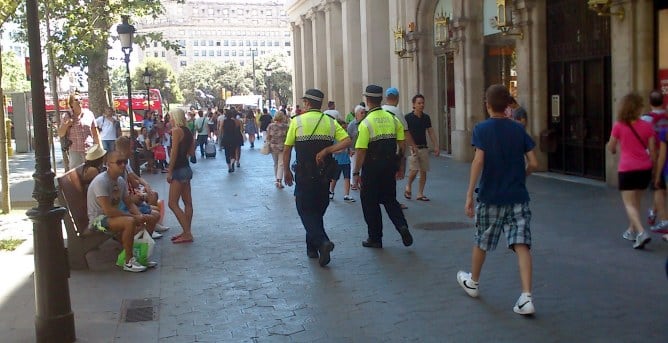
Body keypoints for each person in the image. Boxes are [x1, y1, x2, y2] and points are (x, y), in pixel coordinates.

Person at [457, 84, 539, 315]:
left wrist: (469, 195)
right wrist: (522, 175)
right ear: (507, 106)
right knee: (522, 244)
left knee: (482, 239)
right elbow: (533, 163)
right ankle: (526, 296)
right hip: (517, 196)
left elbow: (478, 161)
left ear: (488, 104)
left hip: (490, 195)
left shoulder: (481, 129)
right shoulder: (518, 130)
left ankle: (473, 281)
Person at [283, 88, 351, 267]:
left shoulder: (296, 121)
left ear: (306, 103)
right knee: (317, 211)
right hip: (324, 175)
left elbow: (288, 147)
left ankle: (322, 242)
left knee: (304, 209)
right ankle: (312, 249)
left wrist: (286, 172)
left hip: (304, 175)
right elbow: (347, 140)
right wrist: (328, 149)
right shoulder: (330, 122)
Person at [352, 85, 413, 249]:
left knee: (369, 202)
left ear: (367, 100)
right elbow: (401, 145)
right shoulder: (392, 119)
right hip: (389, 166)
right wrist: (400, 166)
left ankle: (375, 237)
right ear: (380, 99)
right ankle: (402, 226)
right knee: (390, 199)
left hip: (371, 168)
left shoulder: (366, 123)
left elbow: (361, 150)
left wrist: (356, 173)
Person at [87, 150, 153, 272]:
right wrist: (133, 217)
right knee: (129, 222)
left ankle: (140, 256)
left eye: (125, 162)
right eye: (119, 162)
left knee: (149, 218)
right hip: (98, 220)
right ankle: (128, 261)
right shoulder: (101, 181)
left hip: (112, 217)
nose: (123, 165)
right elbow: (108, 211)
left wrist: (140, 215)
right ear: (108, 164)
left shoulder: (120, 180)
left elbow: (128, 202)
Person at [607, 93, 655, 249]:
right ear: (637, 108)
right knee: (637, 201)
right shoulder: (647, 126)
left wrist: (613, 149)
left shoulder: (619, 126)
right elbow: (653, 151)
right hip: (644, 168)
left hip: (627, 168)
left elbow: (611, 146)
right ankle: (631, 229)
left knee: (628, 203)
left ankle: (641, 232)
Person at [114, 136, 170, 234]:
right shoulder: (119, 167)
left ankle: (149, 227)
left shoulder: (125, 164)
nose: (132, 151)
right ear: (125, 149)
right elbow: (133, 184)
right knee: (154, 210)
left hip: (128, 198)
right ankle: (146, 230)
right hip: (124, 203)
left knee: (153, 196)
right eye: (131, 148)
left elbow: (135, 180)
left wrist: (146, 185)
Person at [167, 109, 196, 244]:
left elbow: (173, 153)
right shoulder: (188, 131)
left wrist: (169, 170)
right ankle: (186, 231)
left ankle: (187, 233)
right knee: (187, 202)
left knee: (172, 203)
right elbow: (191, 152)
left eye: (170, 117)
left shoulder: (176, 131)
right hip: (186, 167)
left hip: (178, 169)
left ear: (174, 117)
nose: (169, 119)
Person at [383, 87, 415, 209]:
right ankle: (392, 201)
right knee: (393, 177)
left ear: (386, 98)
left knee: (385, 176)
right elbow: (405, 132)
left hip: (380, 150)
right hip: (395, 150)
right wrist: (413, 146)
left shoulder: (380, 110)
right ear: (397, 98)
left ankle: (386, 198)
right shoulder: (397, 112)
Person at [640, 90, 668, 228]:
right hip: (665, 155)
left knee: (658, 186)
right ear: (663, 101)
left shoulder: (645, 119)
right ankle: (653, 211)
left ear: (649, 102)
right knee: (660, 187)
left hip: (653, 155)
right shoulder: (666, 117)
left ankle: (657, 215)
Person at [404, 94, 439, 202]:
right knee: (414, 170)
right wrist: (410, 145)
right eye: (419, 103)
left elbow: (430, 131)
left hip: (423, 147)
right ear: (414, 104)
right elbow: (405, 132)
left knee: (423, 170)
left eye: (423, 103)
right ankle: (408, 186)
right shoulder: (408, 117)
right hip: (412, 148)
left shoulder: (426, 118)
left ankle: (420, 193)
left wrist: (436, 145)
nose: (421, 105)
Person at [58, 93, 100, 168]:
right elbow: (61, 134)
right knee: (76, 175)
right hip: (75, 151)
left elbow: (95, 133)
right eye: (76, 100)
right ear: (71, 104)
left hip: (89, 150)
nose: (79, 101)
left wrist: (100, 149)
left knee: (90, 174)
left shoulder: (89, 114)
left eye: (81, 99)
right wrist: (66, 124)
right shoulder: (66, 116)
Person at [329, 120, 355, 203]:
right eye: (343, 128)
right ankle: (331, 191)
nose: (344, 130)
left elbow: (349, 147)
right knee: (334, 178)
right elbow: (331, 150)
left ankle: (346, 195)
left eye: (345, 128)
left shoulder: (346, 137)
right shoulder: (335, 138)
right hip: (337, 161)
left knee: (347, 177)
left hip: (346, 160)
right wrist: (338, 151)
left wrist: (350, 151)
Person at [266, 111, 289, 187]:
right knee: (281, 164)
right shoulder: (286, 126)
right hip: (282, 147)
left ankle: (277, 179)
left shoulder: (270, 126)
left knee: (275, 163)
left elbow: (268, 137)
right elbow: (288, 137)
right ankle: (279, 181)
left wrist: (268, 142)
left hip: (273, 147)